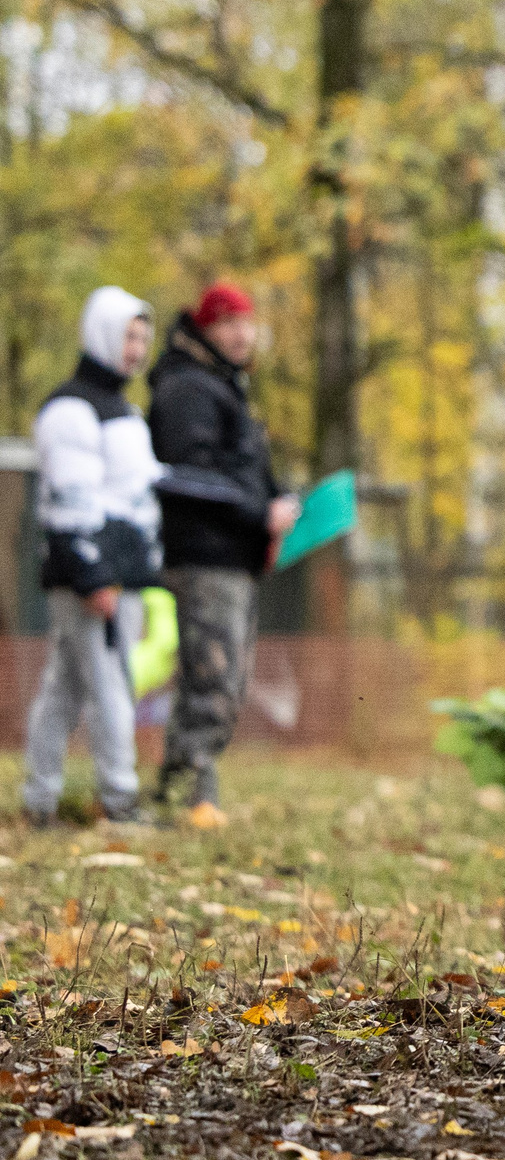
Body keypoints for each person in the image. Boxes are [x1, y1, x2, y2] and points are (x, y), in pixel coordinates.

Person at [147, 282, 295, 823]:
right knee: (212, 678)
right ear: (205, 329)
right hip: (202, 558)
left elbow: (241, 471)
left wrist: (273, 518)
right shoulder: (188, 389)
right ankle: (191, 790)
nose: (241, 333)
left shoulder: (224, 388)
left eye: (246, 322)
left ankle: (183, 784)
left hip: (231, 556)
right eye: (228, 323)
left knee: (221, 680)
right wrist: (259, 516)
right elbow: (191, 476)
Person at [22, 287, 162, 827]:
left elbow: (135, 492)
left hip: (119, 576)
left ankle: (40, 798)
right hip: (90, 580)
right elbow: (69, 501)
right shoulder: (70, 410)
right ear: (102, 332)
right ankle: (120, 799)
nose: (136, 349)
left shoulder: (123, 410)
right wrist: (93, 575)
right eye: (128, 335)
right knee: (109, 688)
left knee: (66, 688)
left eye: (143, 338)